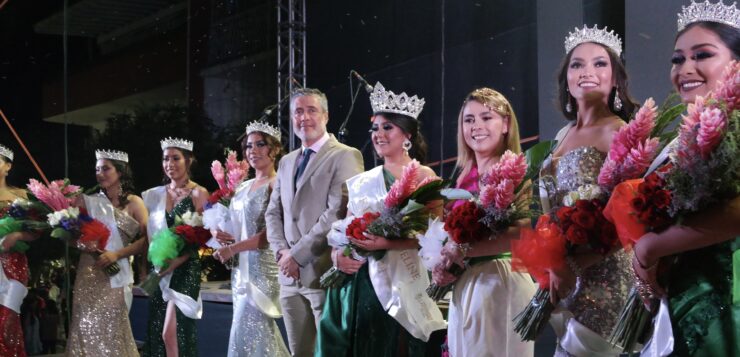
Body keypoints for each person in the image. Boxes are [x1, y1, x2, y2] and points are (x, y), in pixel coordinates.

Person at [631, 1, 740, 355]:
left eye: (702, 55)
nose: (685, 69)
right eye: (678, 59)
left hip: (726, 307)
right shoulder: (678, 140)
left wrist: (651, 248)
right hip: (679, 302)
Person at [315, 82, 446, 356]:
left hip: (403, 280)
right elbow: (343, 229)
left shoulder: (424, 177)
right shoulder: (363, 182)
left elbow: (433, 239)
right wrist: (338, 254)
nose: (379, 134)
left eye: (388, 127)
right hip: (359, 283)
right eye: (375, 128)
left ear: (407, 133)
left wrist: (384, 244)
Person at [539, 25, 638, 356]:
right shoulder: (561, 135)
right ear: (566, 77)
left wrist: (574, 266)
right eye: (577, 64)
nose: (587, 73)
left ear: (615, 78)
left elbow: (632, 222)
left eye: (600, 64)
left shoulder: (619, 132)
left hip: (605, 278)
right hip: (565, 282)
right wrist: (553, 261)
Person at [431, 88, 537, 357]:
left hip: (500, 282)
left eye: (486, 117)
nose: (476, 126)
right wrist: (443, 267)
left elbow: (521, 235)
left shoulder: (514, 170)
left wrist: (464, 251)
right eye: (469, 120)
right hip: (467, 285)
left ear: (506, 125)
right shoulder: (462, 176)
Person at [265, 88, 363, 357]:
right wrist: (282, 253)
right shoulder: (285, 162)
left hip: (322, 272)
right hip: (288, 276)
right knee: (300, 352)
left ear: (326, 116)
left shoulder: (345, 155)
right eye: (298, 111)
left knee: (330, 352)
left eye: (311, 110)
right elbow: (273, 213)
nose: (304, 117)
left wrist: (297, 255)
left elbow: (337, 213)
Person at [212, 122, 290, 357]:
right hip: (240, 269)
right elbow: (236, 225)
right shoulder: (243, 187)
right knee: (255, 334)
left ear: (274, 150)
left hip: (262, 270)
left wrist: (233, 249)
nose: (252, 151)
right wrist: (219, 235)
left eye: (260, 144)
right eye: (248, 146)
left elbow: (271, 235)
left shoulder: (277, 184)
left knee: (250, 330)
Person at [65, 149, 148, 356]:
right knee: (85, 328)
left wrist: (117, 254)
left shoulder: (134, 202)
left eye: (105, 168)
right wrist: (83, 244)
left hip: (116, 275)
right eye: (97, 169)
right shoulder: (86, 201)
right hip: (88, 274)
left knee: (111, 331)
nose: (100, 173)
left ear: (120, 171)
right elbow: (68, 237)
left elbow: (148, 239)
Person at [142, 138, 209, 357]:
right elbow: (146, 235)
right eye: (165, 159)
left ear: (189, 161)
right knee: (158, 332)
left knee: (172, 333)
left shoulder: (199, 193)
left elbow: (204, 236)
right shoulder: (154, 195)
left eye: (175, 158)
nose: (169, 163)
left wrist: (176, 262)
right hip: (160, 270)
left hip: (185, 268)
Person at [0, 145, 38, 357]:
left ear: (8, 166)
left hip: (13, 265)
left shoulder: (21, 195)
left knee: (7, 321)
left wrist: (18, 236)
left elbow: (37, 230)